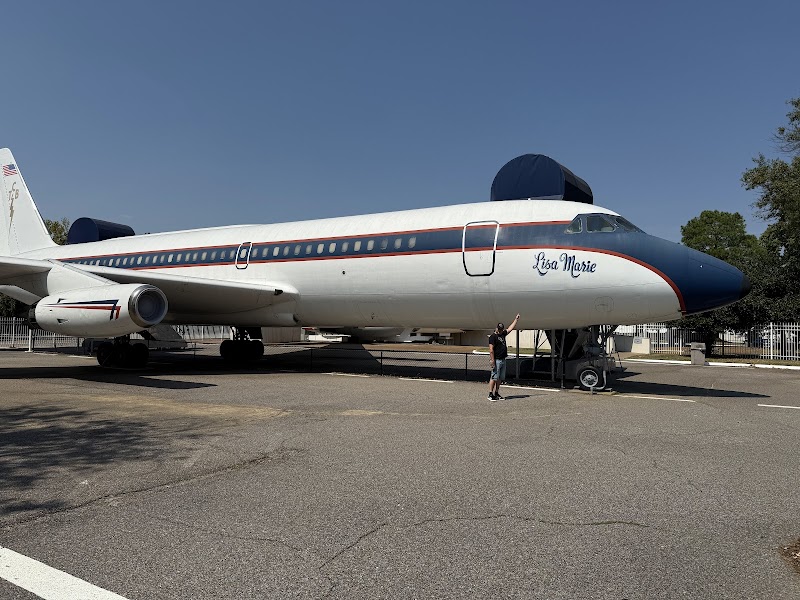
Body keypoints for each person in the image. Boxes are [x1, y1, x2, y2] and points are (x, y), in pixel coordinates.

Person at [487, 314, 520, 401]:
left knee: (500, 378)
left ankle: (497, 393)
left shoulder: (502, 334)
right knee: (494, 377)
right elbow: (491, 350)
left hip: (503, 359)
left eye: (502, 329)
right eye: (500, 329)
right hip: (496, 360)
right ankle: (490, 394)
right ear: (497, 328)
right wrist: (492, 360)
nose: (501, 331)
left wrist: (516, 320)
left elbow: (510, 328)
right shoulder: (492, 337)